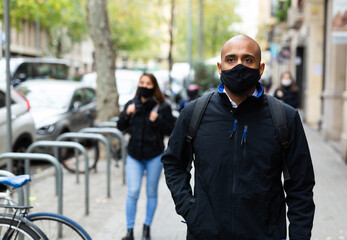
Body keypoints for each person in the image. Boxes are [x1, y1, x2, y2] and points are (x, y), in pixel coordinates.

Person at [161, 35, 315, 239]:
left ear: (260, 68)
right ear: (220, 66)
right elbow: (174, 163)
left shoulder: (285, 117)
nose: (239, 66)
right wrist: (189, 209)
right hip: (205, 233)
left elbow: (301, 186)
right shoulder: (194, 113)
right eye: (231, 59)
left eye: (247, 59)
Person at [117, 72, 175, 240]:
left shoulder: (162, 107)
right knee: (132, 191)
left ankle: (146, 227)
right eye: (142, 83)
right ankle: (129, 231)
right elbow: (120, 126)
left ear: (154, 87)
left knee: (151, 192)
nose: (144, 86)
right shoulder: (131, 104)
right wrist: (127, 113)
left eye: (148, 83)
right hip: (134, 155)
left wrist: (157, 120)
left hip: (154, 156)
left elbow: (171, 130)